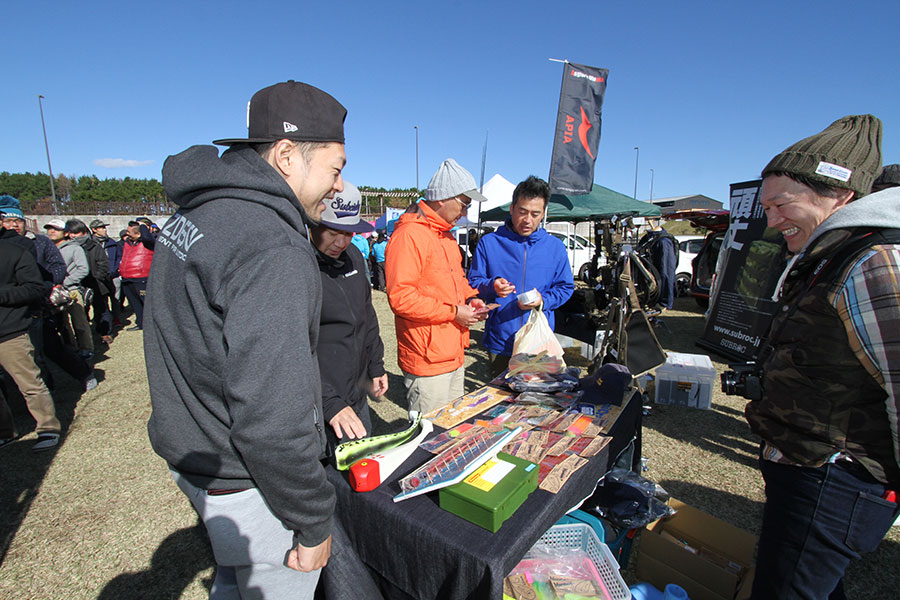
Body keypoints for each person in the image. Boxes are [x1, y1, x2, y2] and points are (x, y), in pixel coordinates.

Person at [145, 80, 347, 599]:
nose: (339, 186)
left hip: (198, 454)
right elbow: (272, 416)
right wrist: (312, 519)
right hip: (250, 480)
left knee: (235, 583)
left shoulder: (200, 212)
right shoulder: (270, 244)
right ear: (287, 155)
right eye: (335, 169)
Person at [744, 115, 900, 599]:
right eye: (766, 207)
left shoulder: (874, 261)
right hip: (810, 470)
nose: (772, 221)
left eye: (781, 205)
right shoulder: (834, 254)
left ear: (841, 195)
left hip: (835, 478)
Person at [385, 158, 489, 414]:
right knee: (430, 431)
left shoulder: (445, 236)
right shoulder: (409, 235)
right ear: (443, 198)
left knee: (453, 426)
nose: (465, 212)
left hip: (452, 350)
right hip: (427, 358)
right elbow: (402, 298)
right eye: (464, 203)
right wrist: (454, 312)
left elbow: (456, 280)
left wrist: (471, 299)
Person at [467, 176, 575, 377]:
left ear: (543, 214)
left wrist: (544, 300)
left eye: (535, 214)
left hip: (538, 340)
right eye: (522, 212)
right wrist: (492, 286)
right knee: (499, 393)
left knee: (537, 394)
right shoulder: (489, 243)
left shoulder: (555, 248)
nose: (527, 220)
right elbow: (473, 282)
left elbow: (565, 287)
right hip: (501, 339)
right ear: (512, 209)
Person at [309, 182, 387, 449]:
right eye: (333, 232)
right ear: (314, 221)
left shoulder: (353, 255)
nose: (341, 243)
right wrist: (327, 401)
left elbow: (367, 315)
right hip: (320, 404)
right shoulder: (298, 263)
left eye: (349, 233)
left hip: (356, 397)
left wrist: (376, 365)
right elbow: (291, 350)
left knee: (364, 465)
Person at [0, 227, 61, 452]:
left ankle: (48, 427)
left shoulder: (14, 251)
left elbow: (35, 288)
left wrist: (3, 294)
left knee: (29, 383)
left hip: (9, 330)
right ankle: (5, 431)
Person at [44, 219, 93, 358]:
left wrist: (65, 282)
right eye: (49, 228)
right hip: (54, 291)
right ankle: (72, 348)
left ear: (66, 233)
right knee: (63, 323)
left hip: (71, 290)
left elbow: (83, 269)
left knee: (79, 322)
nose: (52, 231)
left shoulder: (75, 248)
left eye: (56, 229)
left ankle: (87, 348)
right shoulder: (47, 249)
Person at [66, 219, 114, 344]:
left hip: (96, 283)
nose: (73, 236)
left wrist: (96, 277)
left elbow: (103, 264)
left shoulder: (94, 246)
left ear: (83, 232)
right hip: (77, 284)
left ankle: (105, 332)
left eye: (75, 233)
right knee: (81, 311)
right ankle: (84, 334)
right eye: (70, 233)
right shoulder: (68, 247)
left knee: (101, 309)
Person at [119, 220, 155, 330]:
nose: (127, 234)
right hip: (127, 278)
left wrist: (143, 225)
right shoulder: (128, 243)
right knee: (135, 304)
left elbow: (147, 238)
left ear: (139, 234)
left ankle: (152, 325)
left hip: (141, 278)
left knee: (147, 304)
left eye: (129, 232)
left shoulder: (148, 243)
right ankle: (141, 323)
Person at [637, 218, 678, 309]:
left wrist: (664, 301)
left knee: (665, 273)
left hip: (658, 278)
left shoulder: (663, 241)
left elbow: (666, 272)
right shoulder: (648, 239)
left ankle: (664, 301)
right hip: (651, 278)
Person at [91, 219, 124, 329]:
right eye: (101, 227)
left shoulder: (112, 243)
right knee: (102, 300)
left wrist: (115, 268)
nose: (104, 230)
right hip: (99, 277)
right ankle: (104, 320)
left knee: (116, 298)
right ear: (94, 230)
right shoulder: (91, 244)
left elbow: (119, 256)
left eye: (104, 227)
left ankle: (116, 318)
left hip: (113, 274)